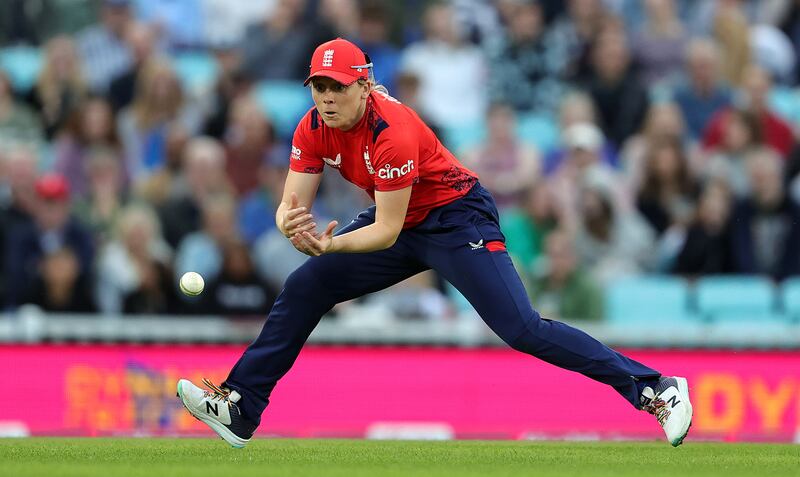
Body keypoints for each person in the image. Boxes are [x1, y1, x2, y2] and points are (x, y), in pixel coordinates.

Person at [176, 38, 692, 449]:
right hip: (400, 218)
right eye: (318, 87)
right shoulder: (313, 124)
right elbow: (291, 204)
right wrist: (292, 225)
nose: (327, 98)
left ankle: (654, 389)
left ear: (365, 85)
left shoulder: (392, 131)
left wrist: (329, 246)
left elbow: (386, 232)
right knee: (305, 287)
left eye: (337, 87)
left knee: (521, 327)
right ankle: (241, 405)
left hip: (456, 220)